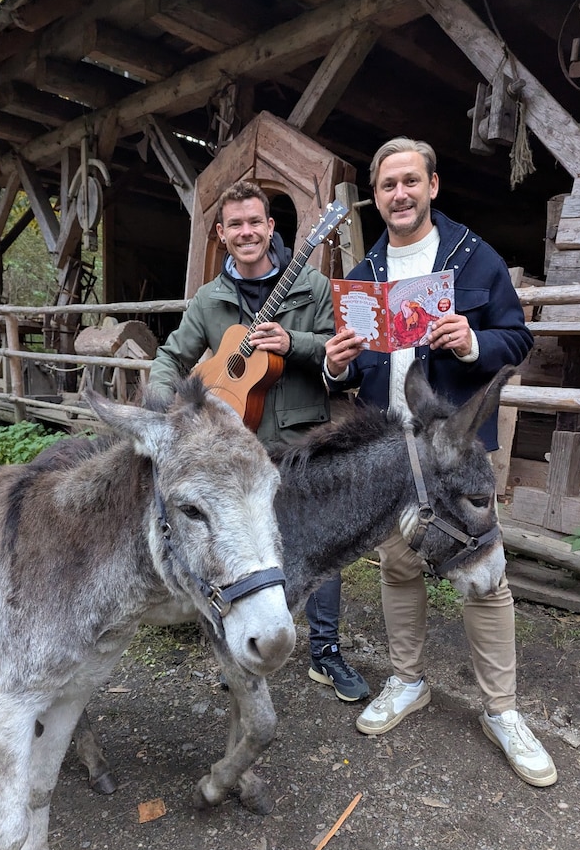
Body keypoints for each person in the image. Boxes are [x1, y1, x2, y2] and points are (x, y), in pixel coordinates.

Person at [323, 137, 557, 786]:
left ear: (432, 185)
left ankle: (502, 711)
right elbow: (352, 368)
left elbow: (518, 338)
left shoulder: (472, 258)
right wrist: (334, 362)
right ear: (377, 196)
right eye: (386, 185)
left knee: (484, 579)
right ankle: (407, 680)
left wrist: (473, 340)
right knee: (397, 567)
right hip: (392, 452)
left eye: (409, 181)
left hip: (454, 451)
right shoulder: (366, 273)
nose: (398, 194)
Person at [148, 179, 369, 703]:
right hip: (231, 449)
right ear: (222, 234)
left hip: (298, 438)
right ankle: (239, 647)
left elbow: (343, 358)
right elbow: (170, 357)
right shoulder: (210, 299)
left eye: (256, 222)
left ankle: (326, 653)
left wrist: (296, 344)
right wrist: (162, 411)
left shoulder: (311, 288)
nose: (247, 233)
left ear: (271, 228)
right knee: (238, 550)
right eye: (235, 225)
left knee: (318, 543)